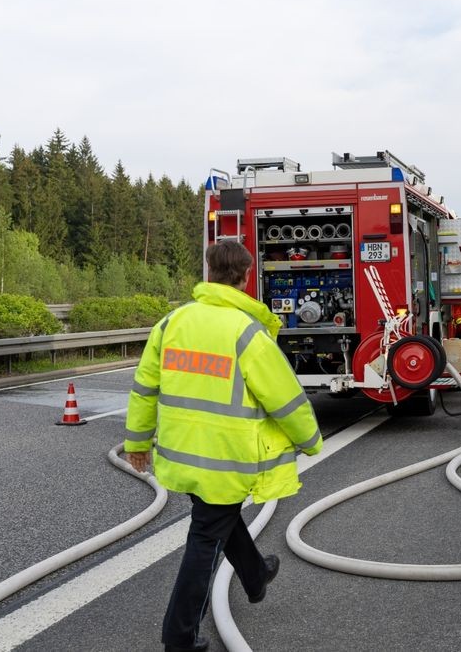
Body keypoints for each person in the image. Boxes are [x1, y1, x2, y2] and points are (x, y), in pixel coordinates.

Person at [124, 240, 323, 652]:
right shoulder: (246, 332)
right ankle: (179, 638)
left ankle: (254, 574)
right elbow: (283, 396)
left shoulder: (171, 323)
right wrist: (310, 440)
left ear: (209, 271)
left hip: (183, 453)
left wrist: (138, 442)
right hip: (226, 458)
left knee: (215, 518)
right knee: (204, 539)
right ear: (246, 277)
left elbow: (145, 389)